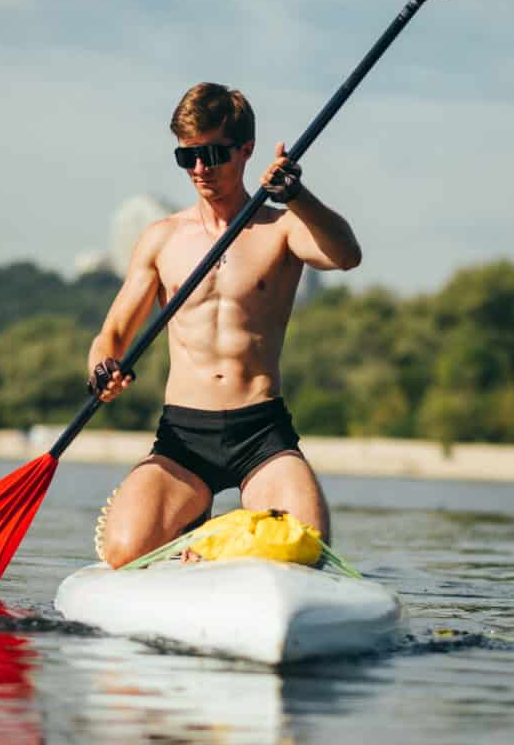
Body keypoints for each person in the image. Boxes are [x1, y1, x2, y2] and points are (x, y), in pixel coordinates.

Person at [87, 82, 362, 568]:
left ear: (246, 150)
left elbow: (346, 255)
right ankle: (201, 535)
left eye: (213, 154)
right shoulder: (160, 238)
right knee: (123, 552)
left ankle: (211, 542)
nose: (199, 169)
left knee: (304, 550)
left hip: (262, 434)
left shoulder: (282, 228)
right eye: (186, 157)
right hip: (182, 438)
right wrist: (102, 370)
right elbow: (111, 335)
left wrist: (299, 196)